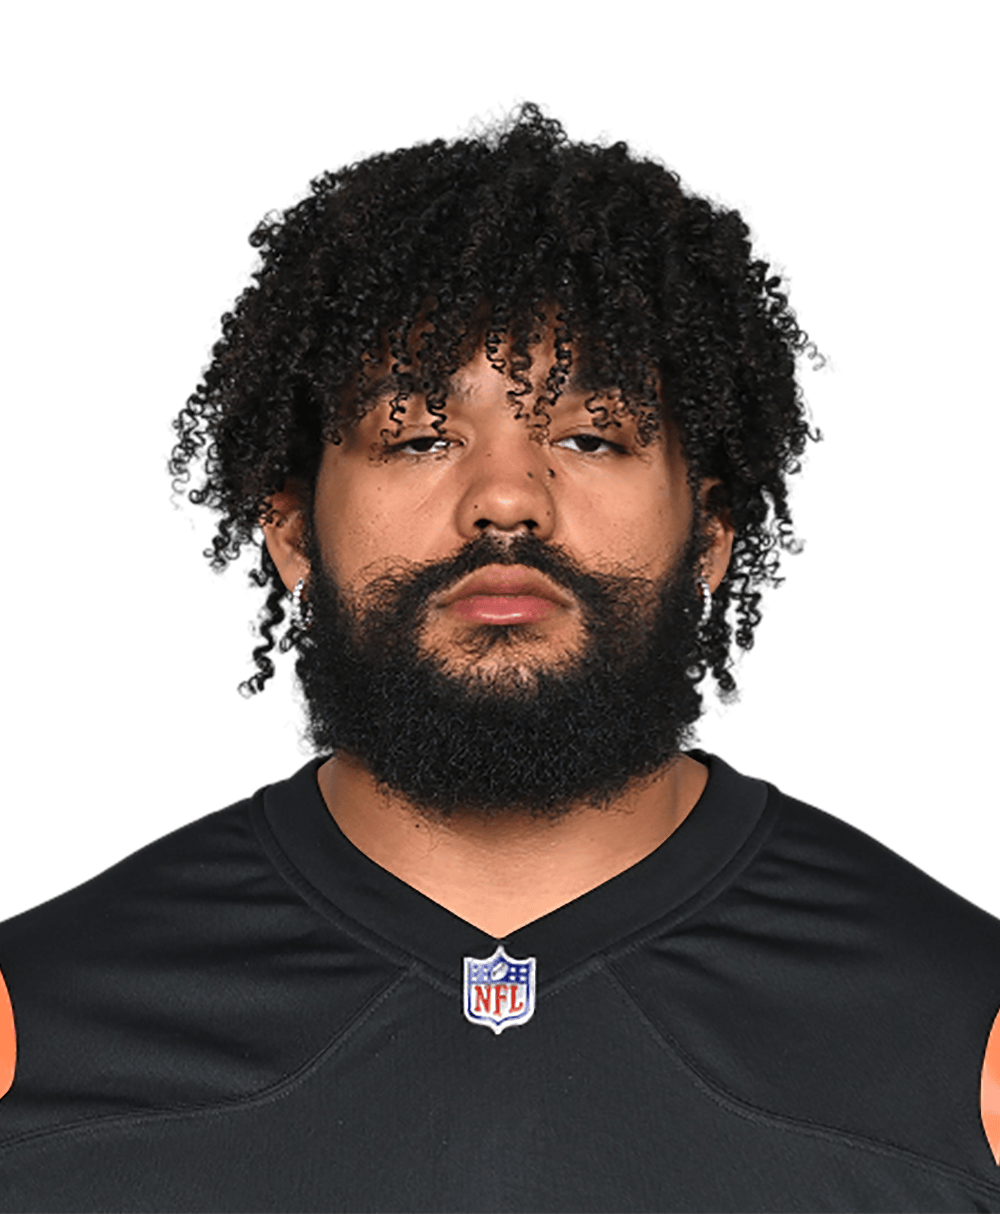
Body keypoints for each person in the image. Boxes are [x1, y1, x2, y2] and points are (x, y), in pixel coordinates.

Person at [0, 95, 997, 1213]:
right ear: (290, 531)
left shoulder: (968, 1039)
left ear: (708, 533)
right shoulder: (31, 1027)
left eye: (589, 434)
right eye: (420, 433)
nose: (507, 500)